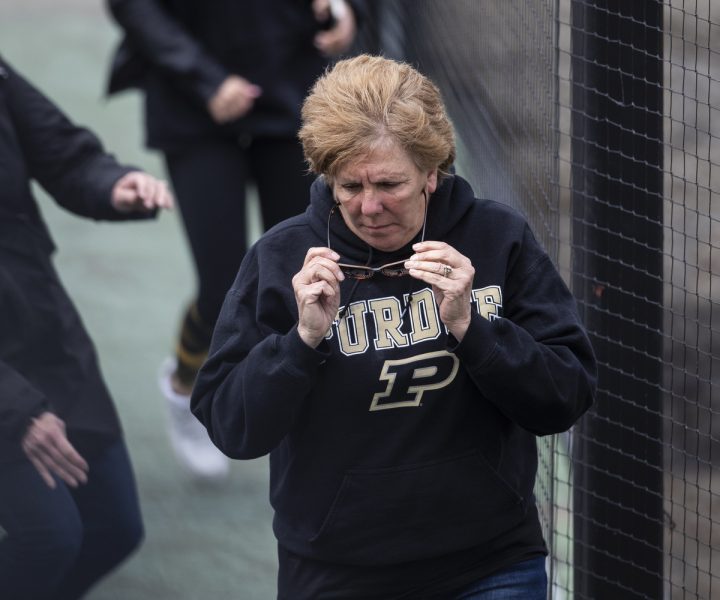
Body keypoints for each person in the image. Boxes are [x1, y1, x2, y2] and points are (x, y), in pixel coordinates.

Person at [191, 54, 597, 598]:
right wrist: (301, 343)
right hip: (337, 572)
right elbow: (231, 426)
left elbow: (565, 395)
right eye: (349, 186)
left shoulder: (497, 238)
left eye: (389, 184)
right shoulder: (283, 256)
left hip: (491, 561)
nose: (370, 206)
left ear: (432, 171)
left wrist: (472, 327)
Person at [104, 0, 367, 480]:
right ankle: (187, 384)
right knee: (223, 283)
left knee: (305, 270)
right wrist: (205, 78)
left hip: (292, 88)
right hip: (193, 101)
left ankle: (305, 414)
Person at [0, 56, 173, 599]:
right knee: (47, 536)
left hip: (37, 326)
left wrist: (112, 183)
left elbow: (58, 147)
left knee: (114, 526)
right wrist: (14, 409)